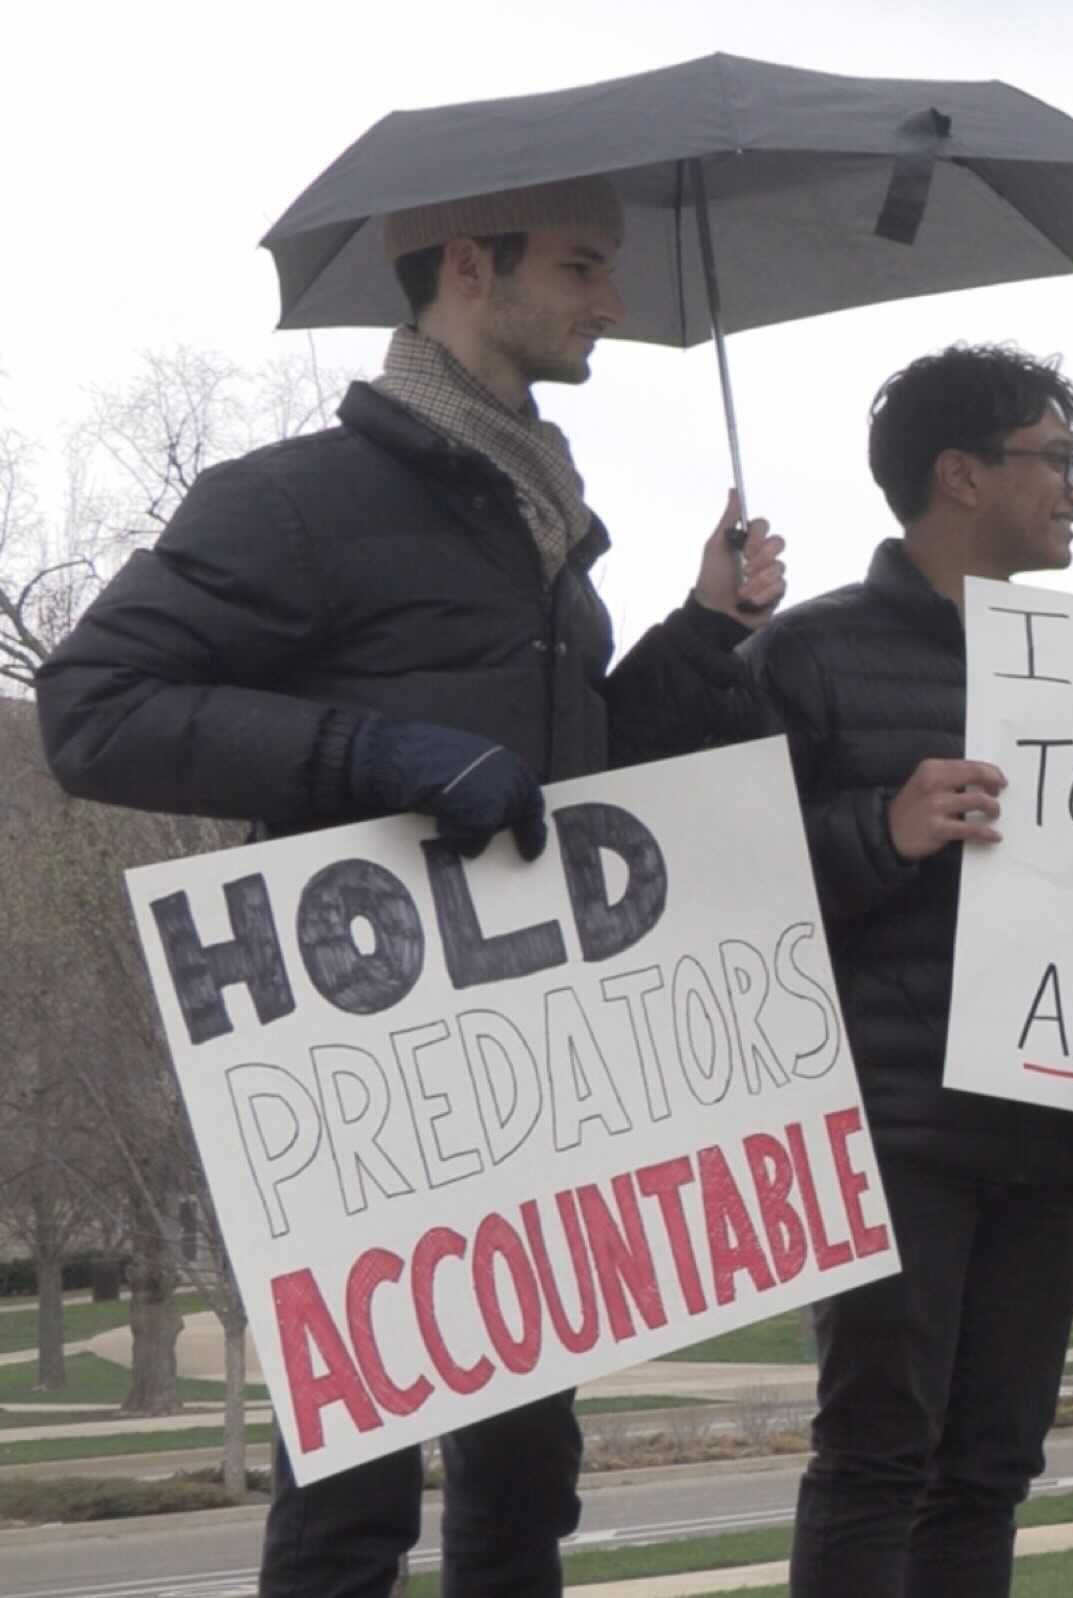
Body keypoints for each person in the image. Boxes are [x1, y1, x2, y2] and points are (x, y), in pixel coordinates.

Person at [34, 176, 788, 1598]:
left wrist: (700, 631)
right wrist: (380, 752)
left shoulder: (549, 532)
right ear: (464, 266)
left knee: (525, 1489)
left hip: (526, 1071)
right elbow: (90, 709)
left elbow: (567, 782)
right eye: (582, 267)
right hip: (353, 1088)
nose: (612, 305)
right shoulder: (296, 502)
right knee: (352, 1509)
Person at [746, 344, 1073, 1598]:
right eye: (1057, 459)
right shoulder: (805, 655)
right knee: (879, 1458)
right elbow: (718, 895)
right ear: (960, 474)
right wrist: (879, 829)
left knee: (993, 1470)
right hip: (886, 1130)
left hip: (1045, 1138)